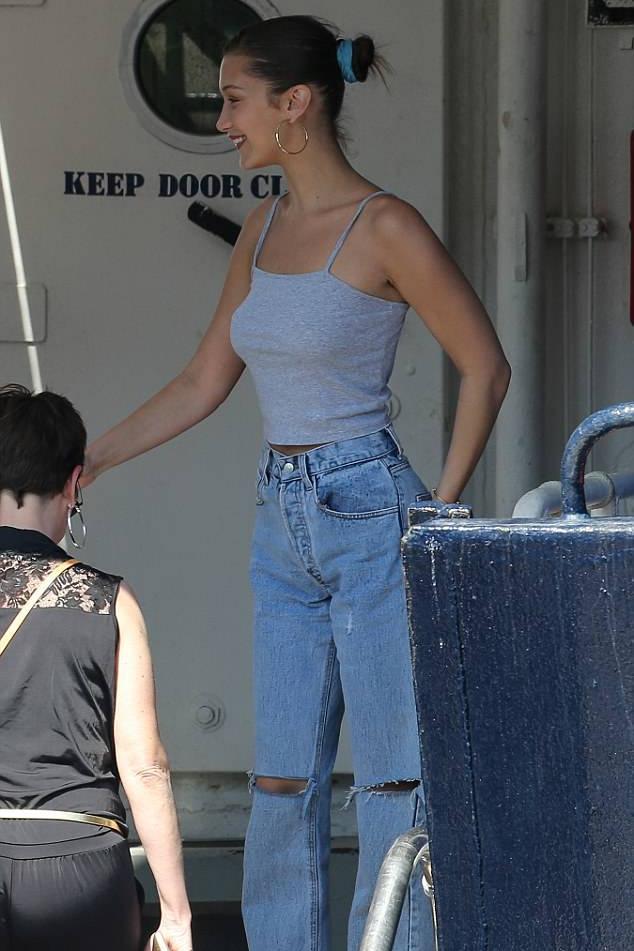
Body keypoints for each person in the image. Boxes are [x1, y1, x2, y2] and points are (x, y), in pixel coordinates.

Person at [82, 15, 510, 951]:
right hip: (281, 519)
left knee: (393, 777)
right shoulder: (266, 226)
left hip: (371, 510)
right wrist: (95, 456)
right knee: (280, 779)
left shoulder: (385, 225)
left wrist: (438, 504)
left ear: (296, 105)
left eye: (235, 100)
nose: (224, 121)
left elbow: (486, 365)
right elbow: (205, 379)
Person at [0, 385, 192, 951]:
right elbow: (146, 766)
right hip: (77, 864)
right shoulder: (109, 601)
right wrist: (176, 915)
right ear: (72, 482)